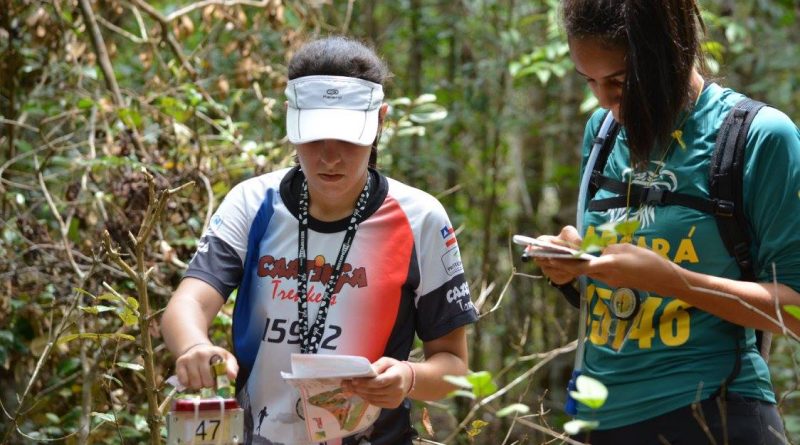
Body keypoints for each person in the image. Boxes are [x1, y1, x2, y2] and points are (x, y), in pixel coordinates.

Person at [161, 36, 478, 445]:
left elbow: (454, 367)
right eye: (314, 137)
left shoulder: (419, 219)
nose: (330, 157)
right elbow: (188, 301)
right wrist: (194, 346)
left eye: (348, 138)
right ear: (290, 119)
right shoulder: (254, 202)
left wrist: (410, 377)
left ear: (380, 121)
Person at [532, 1, 800, 443]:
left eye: (618, 82)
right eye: (590, 82)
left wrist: (678, 282)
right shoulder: (602, 135)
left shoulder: (759, 136)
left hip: (714, 413)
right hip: (601, 417)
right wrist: (574, 267)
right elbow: (618, 288)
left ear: (667, 57)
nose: (603, 100)